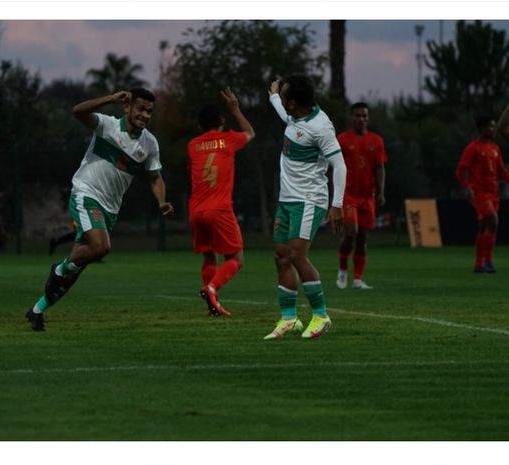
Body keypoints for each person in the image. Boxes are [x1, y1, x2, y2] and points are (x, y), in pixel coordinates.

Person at [25, 88, 174, 331]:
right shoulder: (107, 125)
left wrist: (161, 201)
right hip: (86, 193)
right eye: (140, 109)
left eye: (149, 111)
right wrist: (110, 99)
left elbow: (155, 178)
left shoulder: (149, 143)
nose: (145, 115)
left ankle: (37, 310)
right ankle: (60, 268)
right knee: (101, 247)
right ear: (128, 107)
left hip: (110, 209)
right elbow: (77, 111)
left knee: (77, 269)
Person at [263, 75, 346, 340]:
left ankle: (321, 316)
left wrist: (337, 205)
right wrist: (274, 96)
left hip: (309, 200)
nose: (284, 102)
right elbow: (282, 113)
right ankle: (289, 319)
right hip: (287, 200)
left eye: (286, 97)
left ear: (295, 103)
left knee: (297, 255)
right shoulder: (295, 116)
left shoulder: (321, 127)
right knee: (281, 255)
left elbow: (340, 166)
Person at [187, 88, 256, 316]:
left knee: (209, 255)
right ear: (222, 121)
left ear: (199, 126)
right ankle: (212, 288)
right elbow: (250, 133)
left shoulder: (192, 145)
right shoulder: (228, 140)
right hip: (220, 209)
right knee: (236, 258)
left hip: (196, 210)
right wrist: (235, 109)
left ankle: (212, 305)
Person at [335, 102, 387, 290]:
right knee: (351, 233)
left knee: (363, 237)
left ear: (368, 118)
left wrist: (380, 192)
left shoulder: (377, 141)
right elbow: (335, 166)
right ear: (352, 118)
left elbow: (380, 168)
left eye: (364, 115)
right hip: (349, 194)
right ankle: (342, 271)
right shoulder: (342, 139)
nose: (361, 119)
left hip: (368, 195)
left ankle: (357, 278)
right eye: (358, 115)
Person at [455, 115, 509, 273]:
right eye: (489, 127)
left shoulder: (495, 148)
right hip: (479, 193)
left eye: (493, 126)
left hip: (494, 193)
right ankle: (489, 261)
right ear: (481, 129)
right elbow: (460, 170)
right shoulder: (473, 148)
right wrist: (466, 187)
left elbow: (501, 172)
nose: (492, 129)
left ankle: (480, 264)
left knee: (485, 227)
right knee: (493, 221)